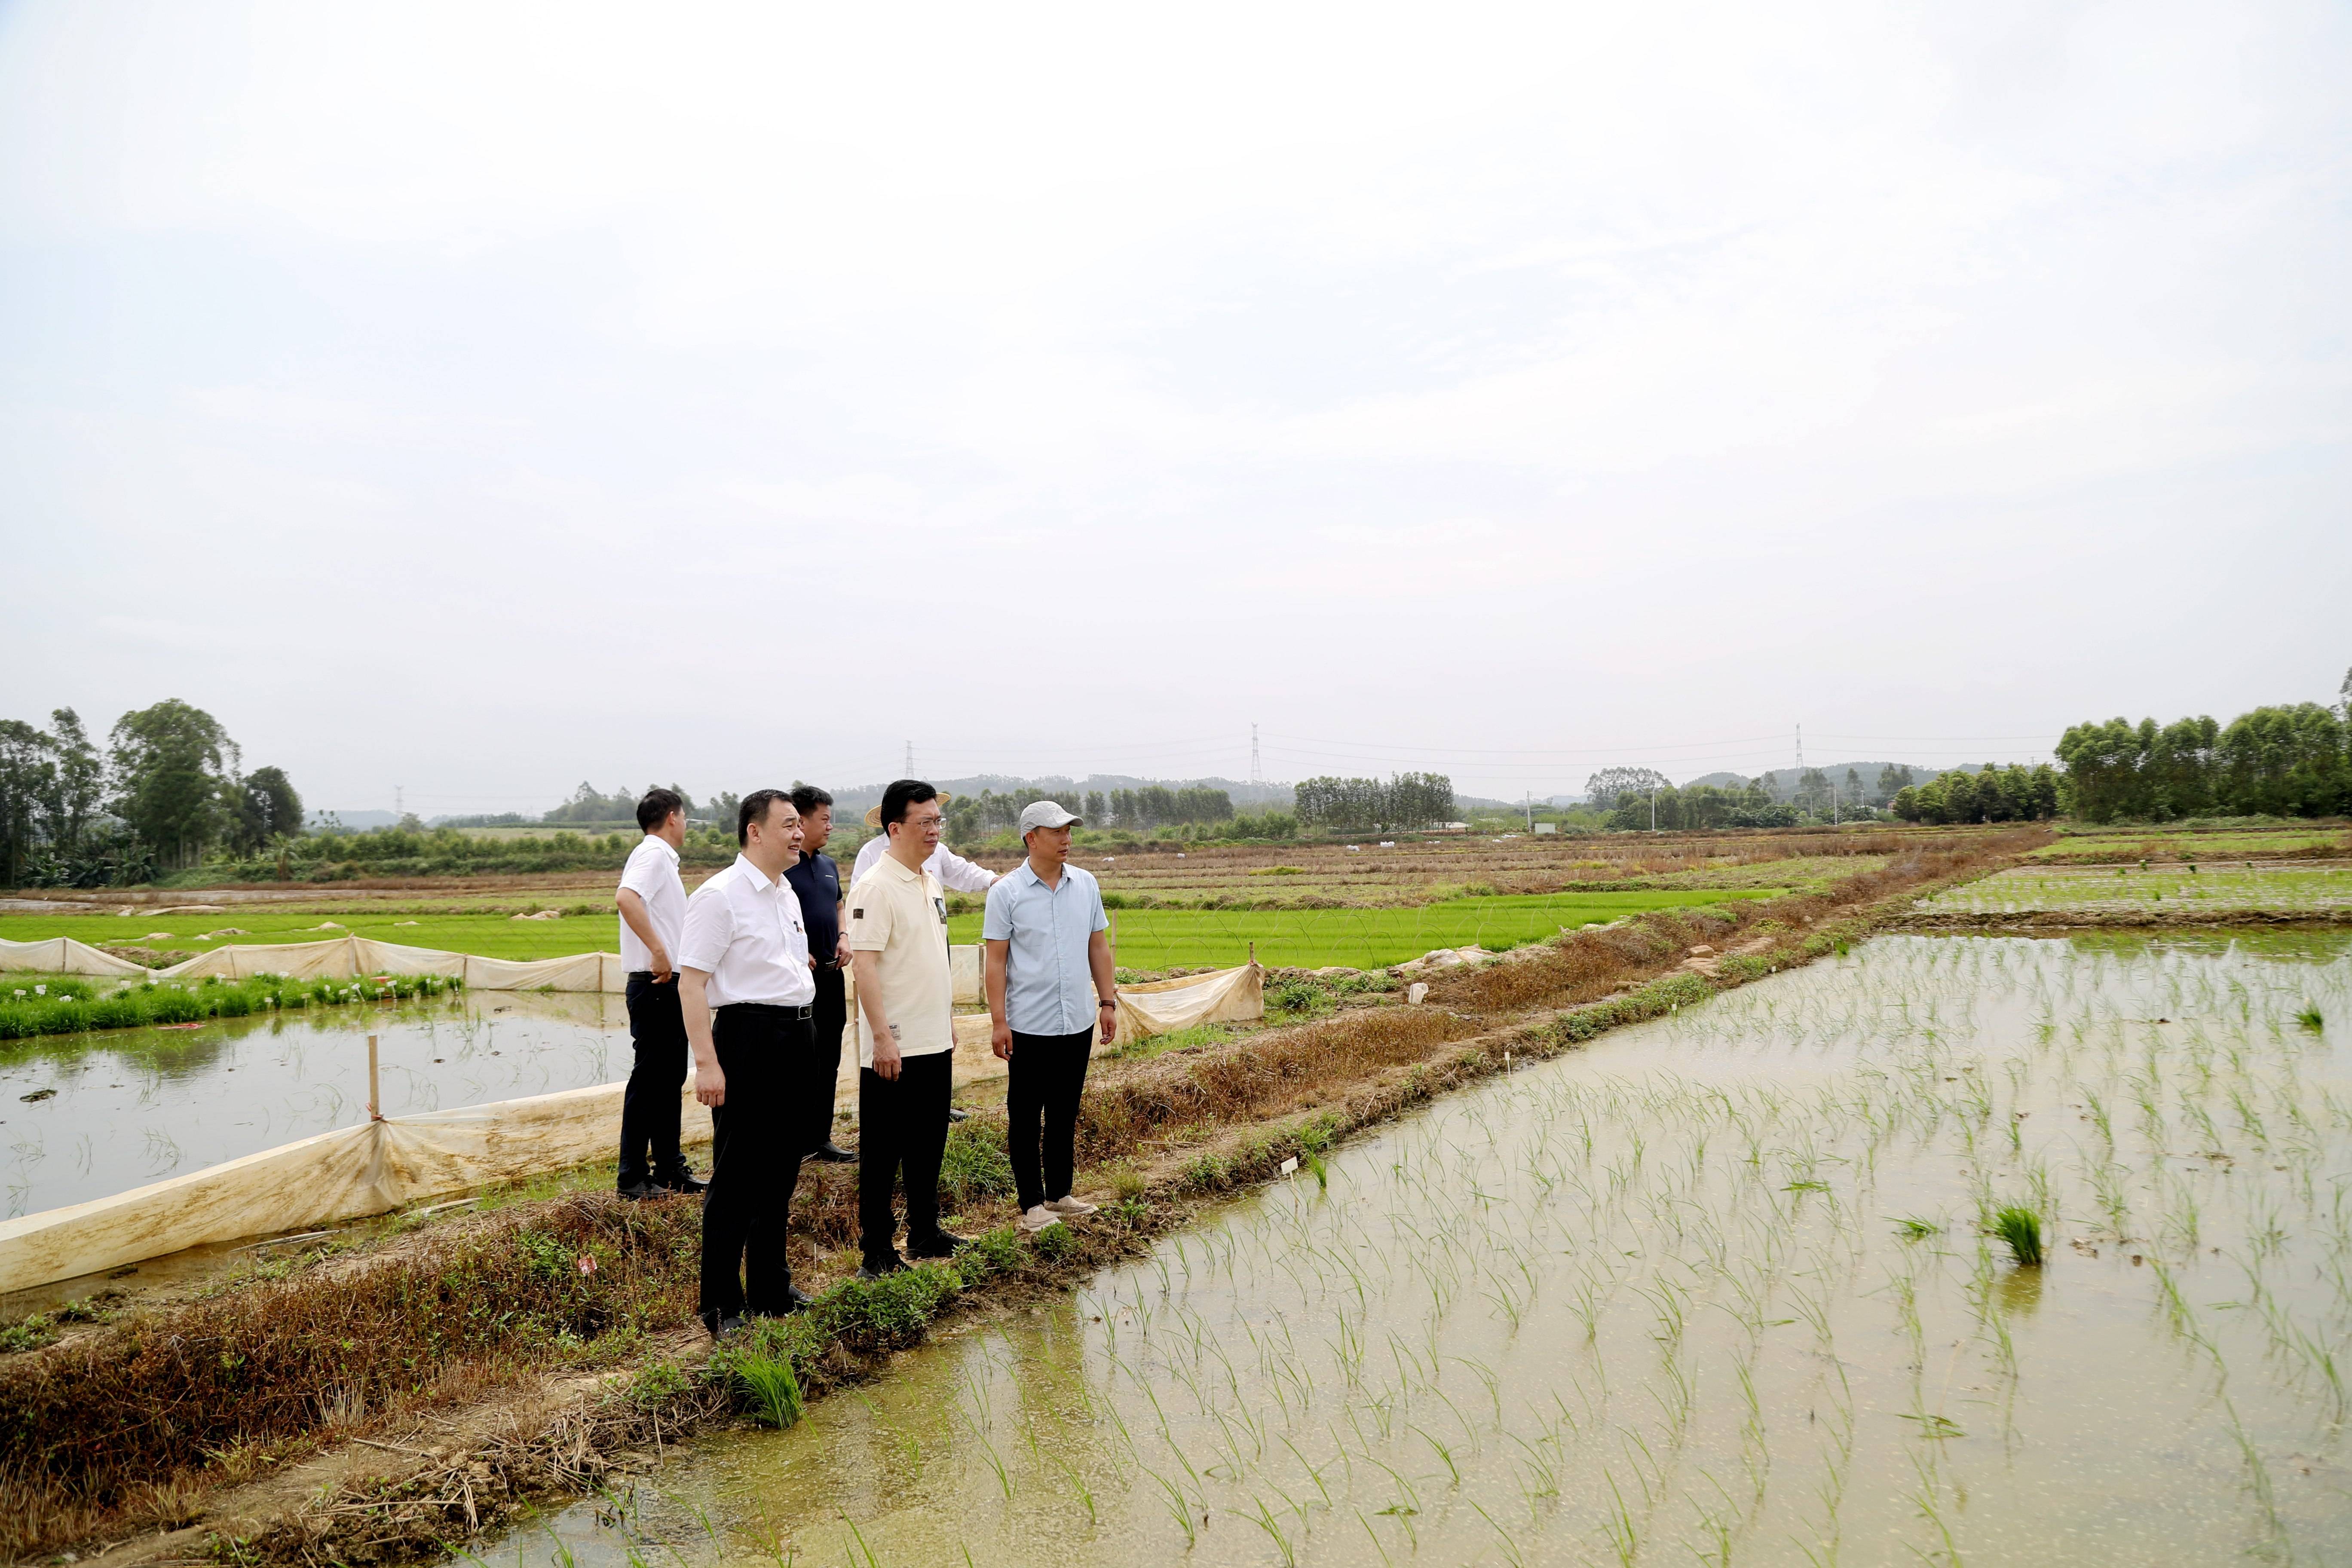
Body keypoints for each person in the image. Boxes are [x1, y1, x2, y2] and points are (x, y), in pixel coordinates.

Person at [678, 789, 817, 1335]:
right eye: (787, 825)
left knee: (781, 1171)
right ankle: (720, 1305)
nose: (799, 833)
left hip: (797, 1036)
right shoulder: (720, 895)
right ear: (754, 832)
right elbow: (691, 985)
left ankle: (769, 1287)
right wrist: (707, 1064)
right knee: (737, 1177)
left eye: (799, 825)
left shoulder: (786, 893)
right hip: (749, 1038)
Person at [846, 779, 968, 1277]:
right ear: (895, 828)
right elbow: (864, 967)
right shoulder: (875, 887)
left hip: (932, 1037)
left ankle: (925, 1232)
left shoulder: (929, 881)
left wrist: (947, 1018)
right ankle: (876, 1252)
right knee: (882, 1153)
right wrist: (881, 1037)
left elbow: (931, 958)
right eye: (925, 822)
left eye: (938, 821)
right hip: (893, 1045)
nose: (935, 830)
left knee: (928, 1142)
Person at [983, 800, 1117, 1235]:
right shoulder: (1006, 892)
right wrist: (999, 1022)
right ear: (1031, 838)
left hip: (1076, 1020)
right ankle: (1031, 1205)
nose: (1067, 839)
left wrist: (1107, 1003)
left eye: (1069, 831)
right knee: (1025, 1117)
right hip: (1028, 1025)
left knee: (1064, 1112)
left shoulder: (1086, 885)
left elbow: (1098, 947)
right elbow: (996, 962)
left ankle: (1060, 1194)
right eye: (1057, 831)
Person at [613, 787, 703, 1198]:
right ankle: (632, 1176)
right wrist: (658, 951)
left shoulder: (661, 858)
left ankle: (670, 1169)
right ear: (672, 817)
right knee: (651, 1080)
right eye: (684, 817)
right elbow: (626, 898)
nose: (685, 824)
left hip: (668, 987)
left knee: (669, 1079)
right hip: (656, 984)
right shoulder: (652, 854)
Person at [783, 784, 855, 1163]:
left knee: (829, 1057)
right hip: (798, 982)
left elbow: (839, 904)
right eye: (824, 819)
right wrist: (797, 951)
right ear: (802, 820)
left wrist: (844, 935)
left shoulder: (828, 866)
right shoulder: (784, 867)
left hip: (831, 975)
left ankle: (820, 1137)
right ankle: (794, 1138)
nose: (830, 826)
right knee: (800, 1062)